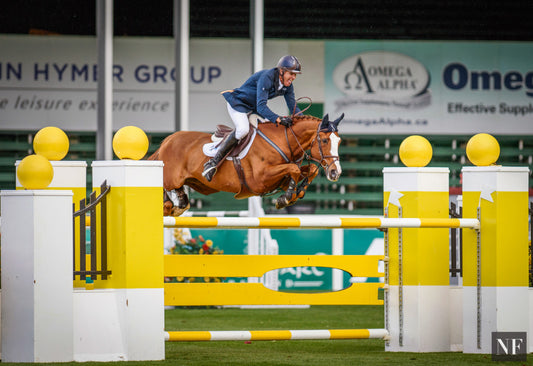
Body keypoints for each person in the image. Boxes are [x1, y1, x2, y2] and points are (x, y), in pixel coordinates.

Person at [202, 55, 302, 182]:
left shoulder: (288, 86)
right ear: (281, 71)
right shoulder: (267, 78)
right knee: (243, 130)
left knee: (268, 130)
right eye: (291, 74)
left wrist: (304, 120)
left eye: (295, 75)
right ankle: (213, 162)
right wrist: (278, 119)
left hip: (253, 108)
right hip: (238, 104)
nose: (293, 77)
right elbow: (262, 108)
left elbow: (293, 106)